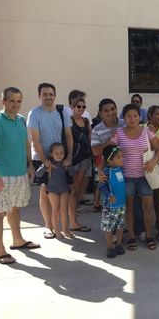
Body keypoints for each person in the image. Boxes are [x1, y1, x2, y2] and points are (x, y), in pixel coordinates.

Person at [0, 87, 39, 265]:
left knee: (15, 208)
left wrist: (29, 165)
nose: (16, 104)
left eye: (19, 101)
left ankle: (18, 240)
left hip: (20, 174)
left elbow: (25, 143)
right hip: (3, 176)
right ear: (4, 102)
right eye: (12, 101)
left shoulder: (21, 121)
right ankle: (0, 251)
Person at [110, 103, 159, 251]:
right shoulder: (119, 133)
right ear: (124, 118)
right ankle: (131, 236)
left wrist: (153, 161)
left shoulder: (147, 131)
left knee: (148, 207)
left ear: (140, 117)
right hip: (126, 177)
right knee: (130, 208)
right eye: (129, 116)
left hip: (146, 176)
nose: (132, 119)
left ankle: (148, 235)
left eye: (135, 115)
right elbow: (110, 150)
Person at [27, 82, 78, 238]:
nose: (48, 97)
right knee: (44, 193)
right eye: (44, 94)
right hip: (41, 157)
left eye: (51, 94)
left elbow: (69, 136)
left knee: (64, 190)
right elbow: (34, 140)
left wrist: (69, 157)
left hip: (61, 157)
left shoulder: (63, 112)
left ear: (55, 96)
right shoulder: (34, 113)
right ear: (39, 96)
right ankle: (49, 226)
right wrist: (45, 161)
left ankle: (64, 227)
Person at [35, 143, 75, 239]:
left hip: (64, 189)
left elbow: (73, 173)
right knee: (55, 210)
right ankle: (56, 230)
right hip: (52, 190)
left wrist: (69, 166)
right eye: (56, 153)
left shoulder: (65, 163)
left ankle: (65, 229)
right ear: (51, 154)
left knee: (64, 210)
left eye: (61, 153)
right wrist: (45, 165)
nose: (59, 155)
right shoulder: (49, 163)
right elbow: (38, 174)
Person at [91, 98, 123, 212]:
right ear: (100, 113)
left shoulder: (124, 123)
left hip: (127, 168)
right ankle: (112, 226)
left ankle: (126, 227)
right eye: (106, 110)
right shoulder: (96, 129)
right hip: (110, 171)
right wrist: (108, 142)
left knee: (127, 198)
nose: (110, 112)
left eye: (113, 109)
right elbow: (95, 151)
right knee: (112, 201)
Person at [68, 97, 93, 229]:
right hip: (73, 157)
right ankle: (72, 212)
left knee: (80, 183)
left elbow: (89, 139)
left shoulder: (86, 121)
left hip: (84, 156)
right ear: (73, 107)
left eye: (83, 107)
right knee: (73, 186)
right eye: (78, 106)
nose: (81, 109)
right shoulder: (69, 120)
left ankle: (75, 206)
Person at [99, 145, 127, 259]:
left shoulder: (120, 169)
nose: (122, 159)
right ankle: (110, 247)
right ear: (110, 160)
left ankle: (119, 245)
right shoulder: (106, 172)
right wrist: (109, 195)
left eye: (122, 156)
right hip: (110, 206)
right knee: (109, 227)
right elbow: (102, 186)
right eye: (118, 157)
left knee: (120, 226)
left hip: (121, 205)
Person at [146, 105, 159, 236]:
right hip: (145, 168)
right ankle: (144, 228)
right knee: (146, 201)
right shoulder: (142, 128)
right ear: (150, 115)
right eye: (157, 114)